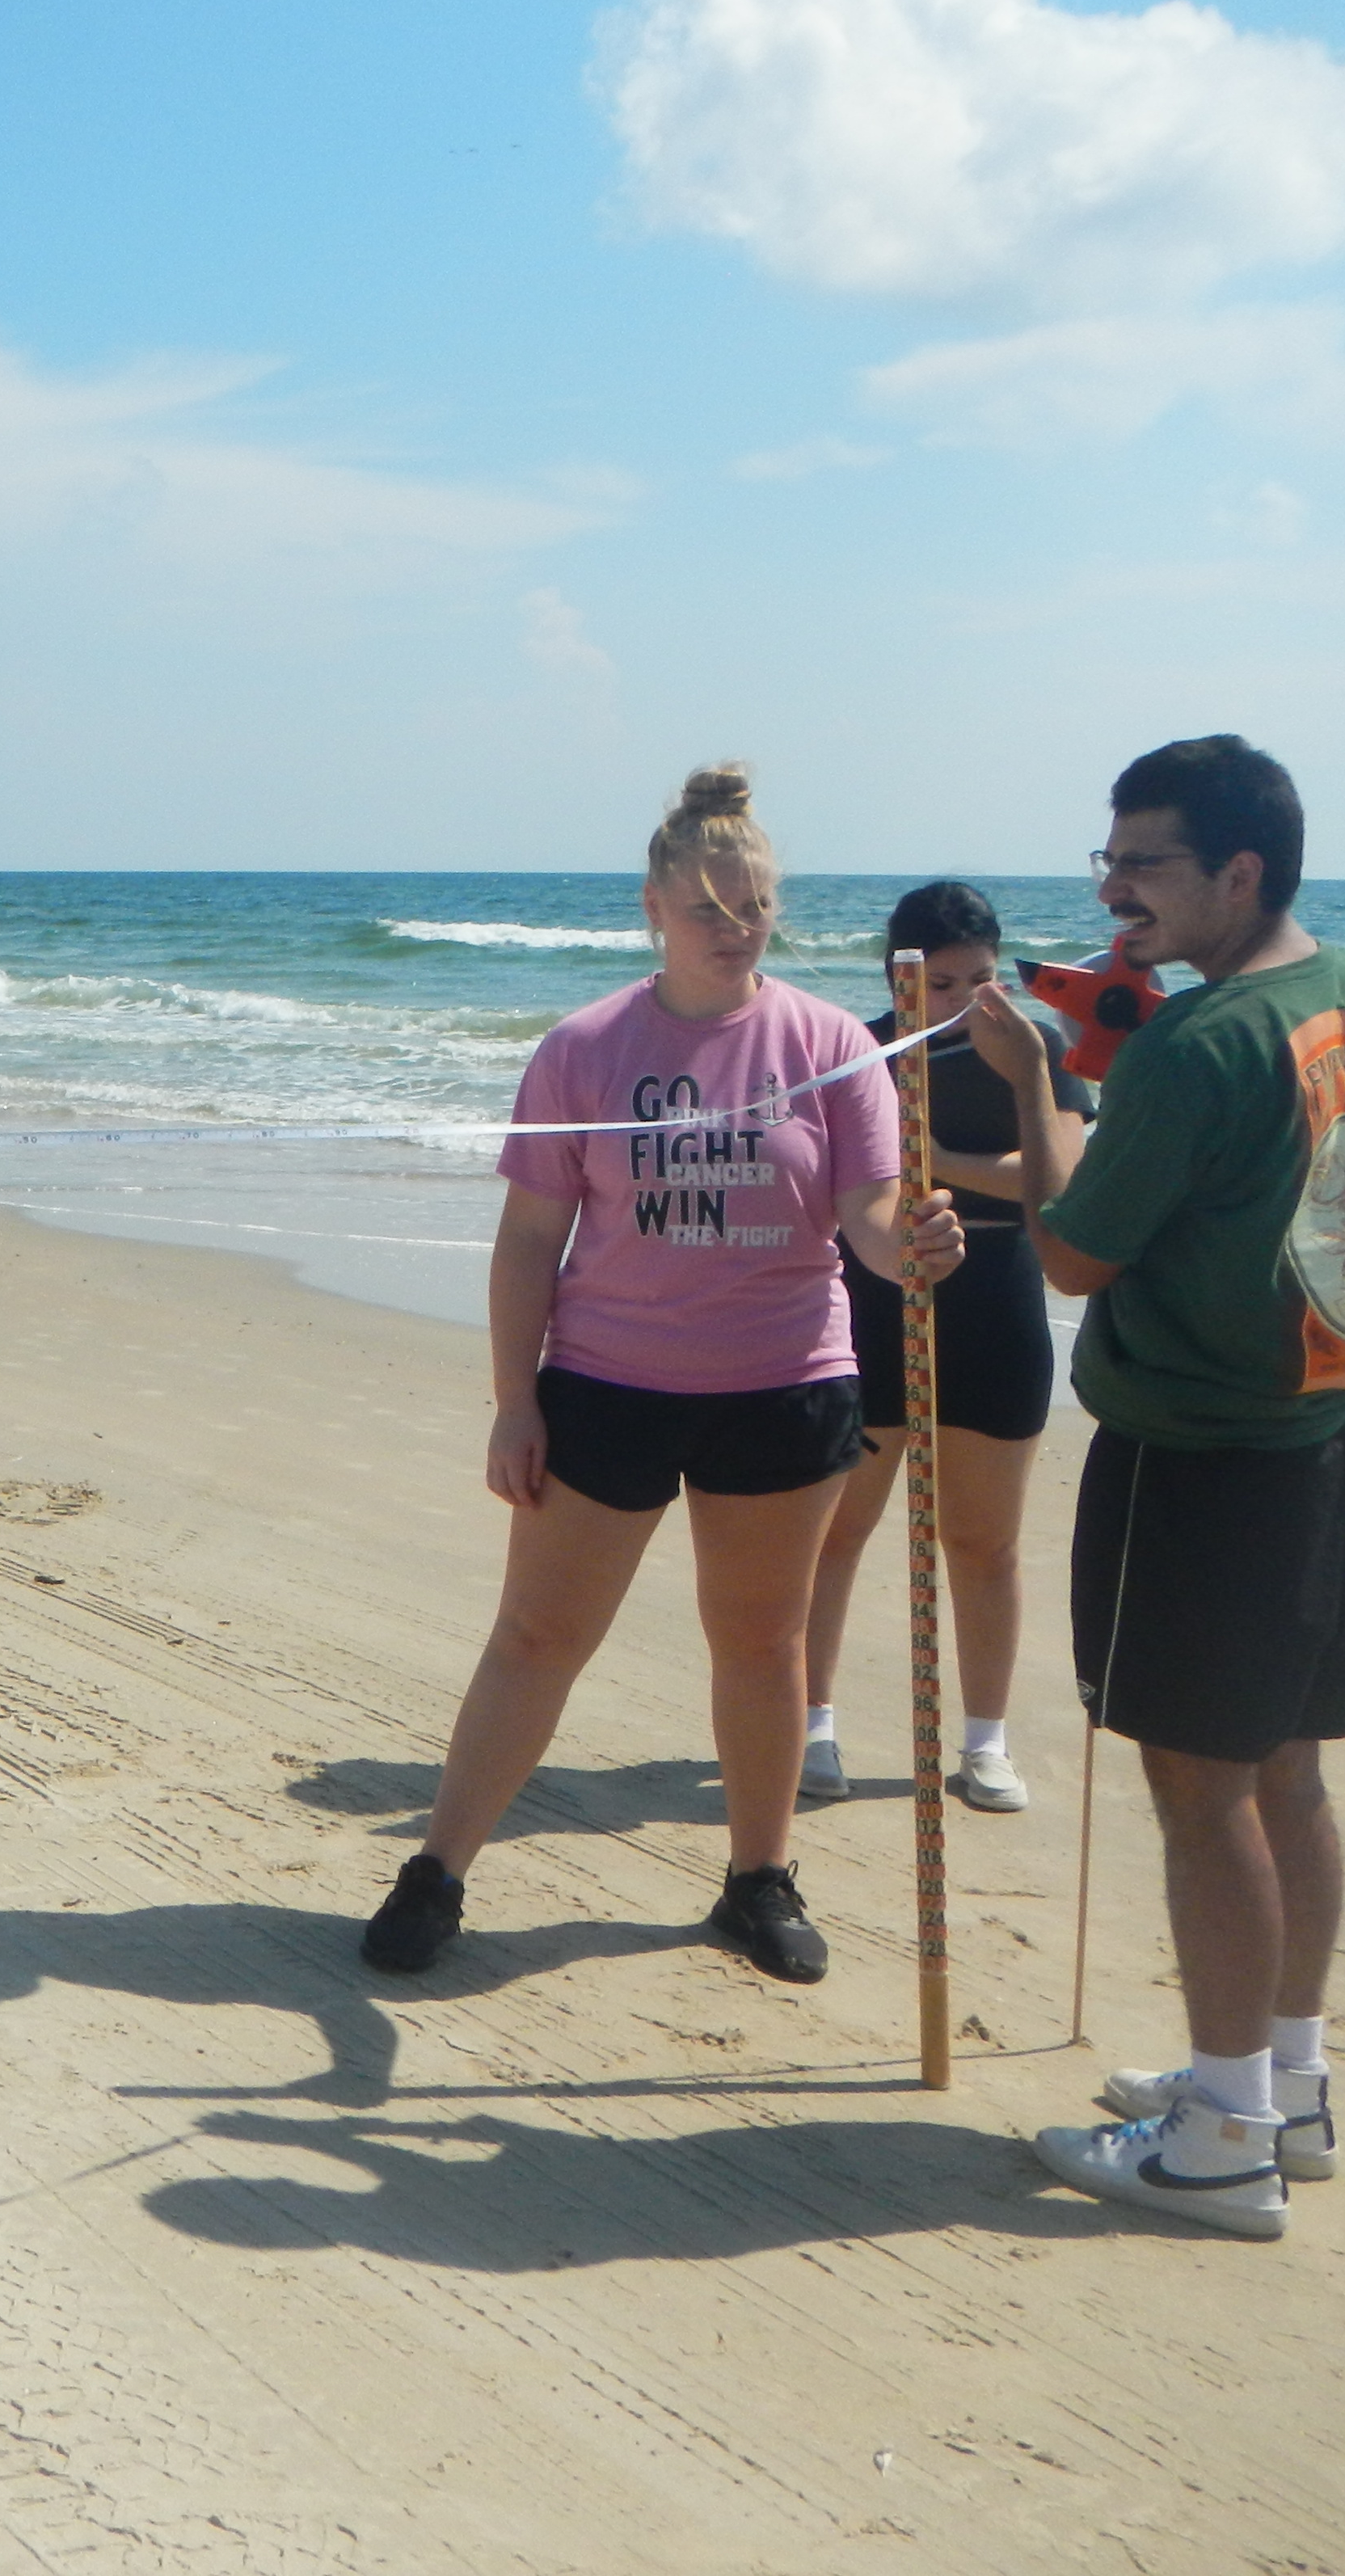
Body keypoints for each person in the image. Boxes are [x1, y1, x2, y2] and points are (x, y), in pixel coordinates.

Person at [963, 736, 1345, 2240]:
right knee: (1286, 1772)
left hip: (1201, 1458)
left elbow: (1069, 1255)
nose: (1112, 892)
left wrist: (1039, 1086)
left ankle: (1222, 2141)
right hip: (1333, 1440)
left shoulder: (1199, 1043)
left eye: (1144, 864)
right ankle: (1282, 2087)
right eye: (1107, 859)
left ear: (1237, 873)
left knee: (1202, 1792)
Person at [362, 765, 962, 1986]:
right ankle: (437, 1872)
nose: (737, 930)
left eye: (756, 908)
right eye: (710, 909)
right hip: (608, 1385)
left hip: (783, 1383)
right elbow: (530, 1240)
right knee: (538, 1635)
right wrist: (515, 1402)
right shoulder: (585, 1049)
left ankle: (758, 1880)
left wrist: (912, 1247)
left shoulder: (833, 1045)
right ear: (654, 908)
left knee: (762, 1642)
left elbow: (866, 1215)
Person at [797, 883, 1092, 1813]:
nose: (967, 1000)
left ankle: (985, 1743)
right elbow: (827, 1179)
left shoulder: (1034, 1050)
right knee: (839, 1528)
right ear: (901, 976)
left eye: (983, 978)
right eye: (944, 983)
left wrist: (933, 1159)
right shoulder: (859, 1051)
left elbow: (1061, 1181)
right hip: (877, 1298)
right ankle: (812, 1724)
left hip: (998, 1300)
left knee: (982, 1540)